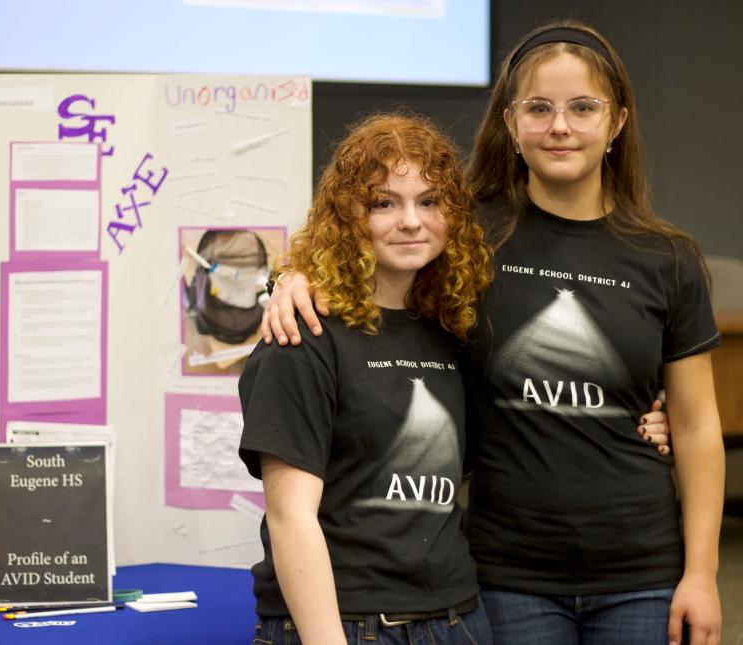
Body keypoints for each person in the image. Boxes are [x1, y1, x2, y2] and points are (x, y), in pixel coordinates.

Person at [261, 20, 724, 645]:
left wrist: (703, 573)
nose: (560, 125)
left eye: (583, 108)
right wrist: (289, 277)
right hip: (505, 576)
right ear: (510, 122)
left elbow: (697, 425)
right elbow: (364, 250)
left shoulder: (668, 258)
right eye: (539, 108)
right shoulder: (465, 234)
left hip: (642, 572)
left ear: (616, 122)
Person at [239, 113, 494, 644]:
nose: (410, 221)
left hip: (456, 620)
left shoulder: (453, 328)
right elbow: (291, 519)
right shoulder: (303, 335)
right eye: (384, 203)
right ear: (346, 216)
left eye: (428, 201)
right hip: (349, 625)